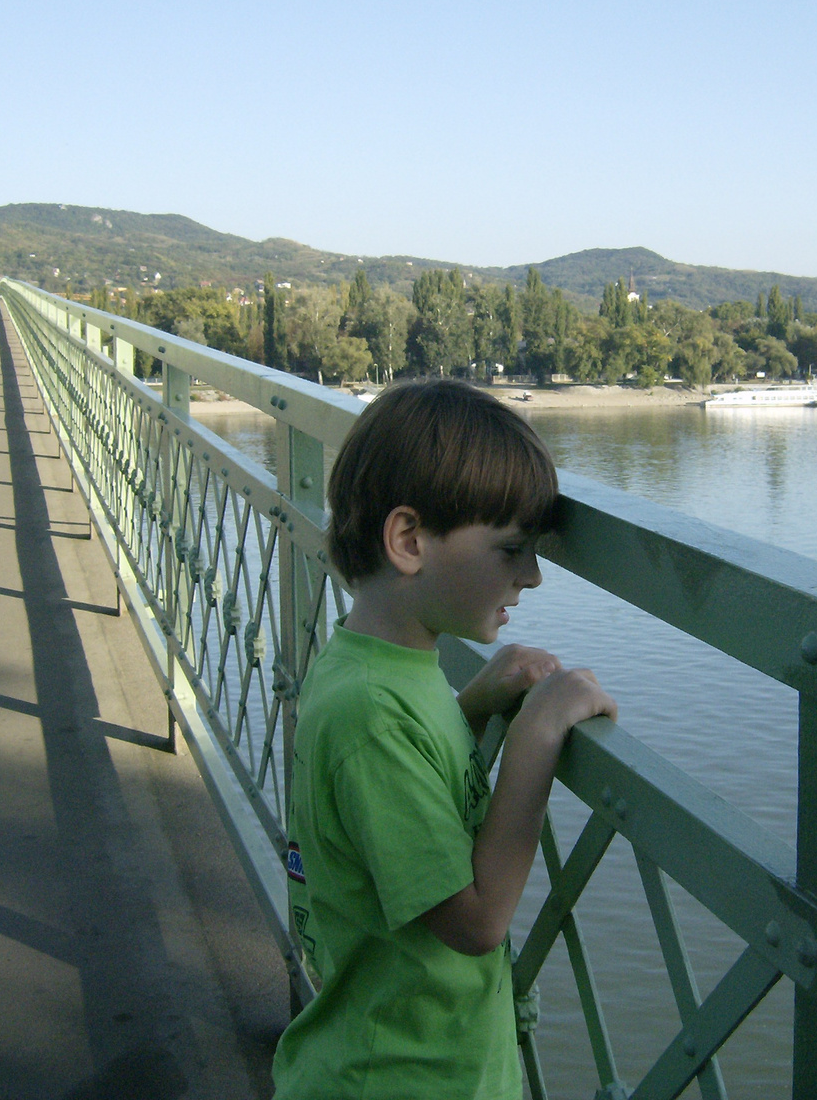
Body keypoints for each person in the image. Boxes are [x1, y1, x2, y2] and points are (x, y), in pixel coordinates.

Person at [271, 379, 617, 1099]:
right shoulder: (369, 715)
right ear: (408, 541)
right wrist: (537, 735)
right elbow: (475, 920)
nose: (533, 576)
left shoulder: (379, 667)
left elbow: (404, 796)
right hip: (399, 1078)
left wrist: (475, 708)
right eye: (512, 549)